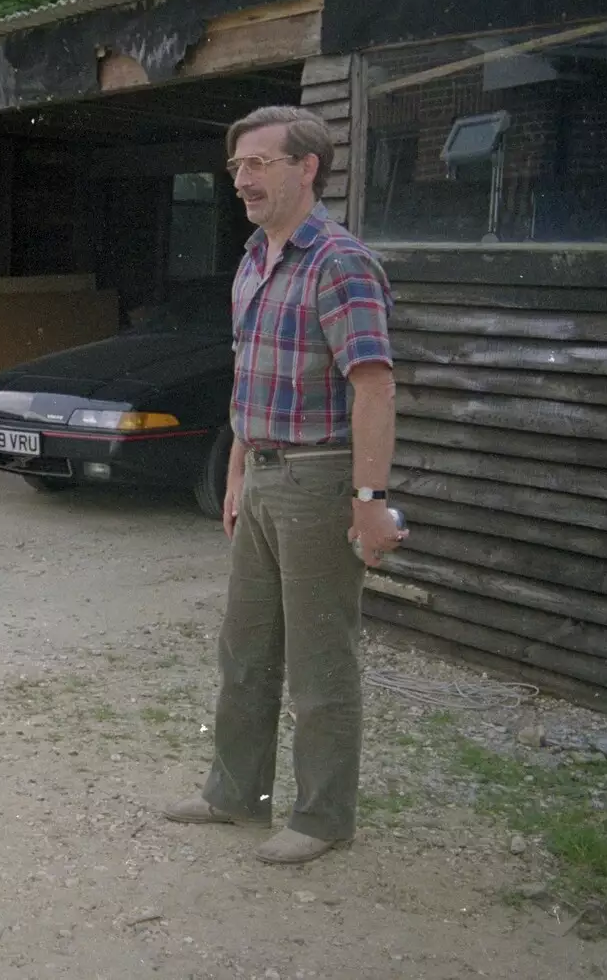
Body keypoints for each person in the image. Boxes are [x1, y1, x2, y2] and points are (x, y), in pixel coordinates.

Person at [162, 105, 403, 865]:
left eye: (259, 163)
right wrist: (235, 472)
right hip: (263, 473)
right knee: (247, 647)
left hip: (320, 477)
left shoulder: (340, 262)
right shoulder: (254, 260)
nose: (241, 179)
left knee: (320, 658)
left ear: (308, 168)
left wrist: (367, 505)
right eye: (236, 167)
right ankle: (236, 795)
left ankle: (324, 817)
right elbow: (248, 379)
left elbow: (374, 389)